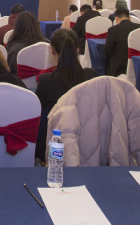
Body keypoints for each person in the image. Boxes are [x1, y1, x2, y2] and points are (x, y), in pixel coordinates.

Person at [35, 29, 98, 159]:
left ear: (51, 50)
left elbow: (37, 114)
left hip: (57, 147)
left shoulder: (46, 81)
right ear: (77, 50)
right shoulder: (91, 76)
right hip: (91, 143)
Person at [104, 7, 140, 76]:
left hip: (119, 67)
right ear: (130, 18)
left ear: (116, 19)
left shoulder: (113, 30)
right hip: (137, 64)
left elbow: (107, 50)